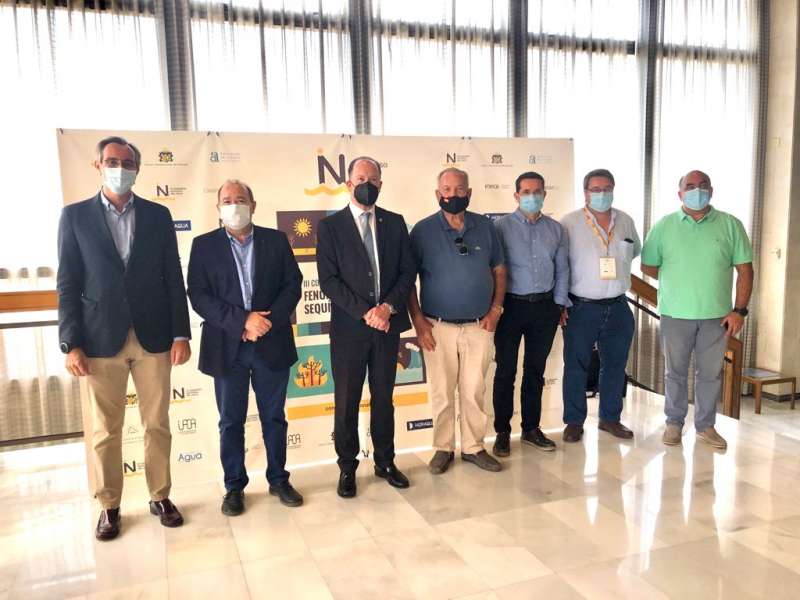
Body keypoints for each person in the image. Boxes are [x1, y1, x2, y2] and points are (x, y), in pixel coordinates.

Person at [57, 135, 191, 540]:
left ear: (137, 169)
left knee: (157, 424)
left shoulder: (158, 215)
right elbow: (68, 283)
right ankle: (109, 505)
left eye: (127, 163)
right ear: (98, 165)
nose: (120, 168)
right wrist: (71, 343)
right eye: (112, 161)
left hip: (154, 337)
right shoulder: (74, 217)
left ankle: (160, 495)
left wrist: (181, 333)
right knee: (105, 430)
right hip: (99, 340)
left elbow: (173, 277)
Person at [187, 179, 304, 514]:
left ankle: (279, 479)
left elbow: (292, 285)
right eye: (227, 200)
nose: (234, 205)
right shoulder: (204, 246)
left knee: (274, 417)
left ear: (253, 205)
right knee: (230, 421)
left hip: (271, 342)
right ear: (218, 207)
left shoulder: (276, 240)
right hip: (227, 347)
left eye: (240, 199)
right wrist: (242, 322)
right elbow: (199, 295)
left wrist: (265, 323)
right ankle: (234, 486)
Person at [316, 156, 417, 498]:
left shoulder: (395, 222)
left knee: (384, 398)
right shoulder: (330, 227)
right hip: (349, 330)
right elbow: (328, 280)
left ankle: (385, 462)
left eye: (373, 179)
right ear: (348, 184)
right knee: (346, 400)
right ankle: (347, 467)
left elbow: (407, 272)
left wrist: (386, 308)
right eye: (360, 179)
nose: (367, 185)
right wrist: (366, 312)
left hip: (387, 326)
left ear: (381, 184)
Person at [641, 170, 753, 450]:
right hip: (675, 314)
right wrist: (679, 280)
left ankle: (706, 426)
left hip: (717, 316)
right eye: (690, 186)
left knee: (710, 374)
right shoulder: (664, 226)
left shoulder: (730, 225)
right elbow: (648, 266)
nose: (697, 190)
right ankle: (674, 423)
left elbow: (745, 270)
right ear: (680, 193)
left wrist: (739, 310)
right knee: (675, 372)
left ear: (711, 191)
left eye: (703, 186)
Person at [409, 167, 507, 474]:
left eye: (460, 189)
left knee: (474, 390)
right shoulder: (422, 231)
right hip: (437, 326)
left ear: (469, 193)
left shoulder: (486, 227)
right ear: (437, 194)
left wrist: (495, 310)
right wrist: (419, 322)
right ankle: (443, 447)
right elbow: (407, 281)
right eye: (447, 190)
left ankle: (474, 447)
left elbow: (499, 270)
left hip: (480, 325)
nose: (453, 195)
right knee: (442, 391)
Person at [560, 168, 641, 443]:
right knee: (576, 366)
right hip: (581, 307)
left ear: (614, 189)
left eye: (607, 188)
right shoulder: (569, 223)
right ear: (585, 193)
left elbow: (634, 251)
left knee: (615, 365)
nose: (601, 193)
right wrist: (561, 303)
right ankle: (574, 421)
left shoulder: (626, 221)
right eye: (595, 189)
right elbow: (560, 265)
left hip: (618, 306)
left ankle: (610, 418)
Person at [491, 171, 569, 456]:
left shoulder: (556, 229)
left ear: (545, 194)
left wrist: (559, 304)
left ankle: (531, 429)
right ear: (516, 195)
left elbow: (562, 269)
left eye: (537, 191)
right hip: (510, 307)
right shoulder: (499, 228)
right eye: (526, 192)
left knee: (535, 371)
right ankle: (502, 432)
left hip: (544, 308)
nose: (532, 196)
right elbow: (493, 270)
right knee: (505, 371)